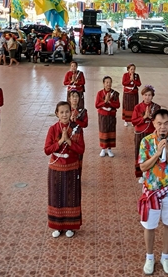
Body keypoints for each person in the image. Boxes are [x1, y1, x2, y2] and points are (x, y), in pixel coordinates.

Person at [138, 109, 168, 275]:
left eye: (165, 123)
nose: (162, 127)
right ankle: (149, 257)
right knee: (149, 226)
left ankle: (165, 256)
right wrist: (157, 153)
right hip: (151, 191)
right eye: (159, 123)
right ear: (153, 123)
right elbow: (143, 166)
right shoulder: (146, 142)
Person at [44, 101, 85, 238]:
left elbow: (81, 149)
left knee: (70, 197)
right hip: (55, 169)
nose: (64, 115)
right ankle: (57, 226)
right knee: (56, 197)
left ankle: (70, 226)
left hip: (71, 168)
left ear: (71, 112)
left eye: (67, 111)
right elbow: (47, 150)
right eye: (61, 112)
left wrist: (69, 141)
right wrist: (61, 141)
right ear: (57, 114)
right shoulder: (53, 129)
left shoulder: (77, 129)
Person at [131, 85, 160, 183]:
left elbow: (159, 121)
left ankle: (151, 173)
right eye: (145, 95)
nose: (147, 97)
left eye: (149, 95)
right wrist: (144, 117)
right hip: (140, 134)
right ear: (142, 95)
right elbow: (134, 121)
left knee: (151, 154)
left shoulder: (156, 107)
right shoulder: (137, 107)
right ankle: (142, 174)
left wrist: (151, 117)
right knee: (140, 154)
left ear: (152, 96)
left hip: (151, 134)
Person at [95, 76, 120, 157]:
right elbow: (97, 105)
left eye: (110, 82)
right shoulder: (100, 93)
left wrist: (109, 102)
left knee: (111, 131)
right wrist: (104, 102)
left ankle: (109, 149)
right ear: (103, 83)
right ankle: (103, 148)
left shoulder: (115, 93)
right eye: (107, 82)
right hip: (103, 116)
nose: (108, 84)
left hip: (111, 116)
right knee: (103, 131)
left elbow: (118, 105)